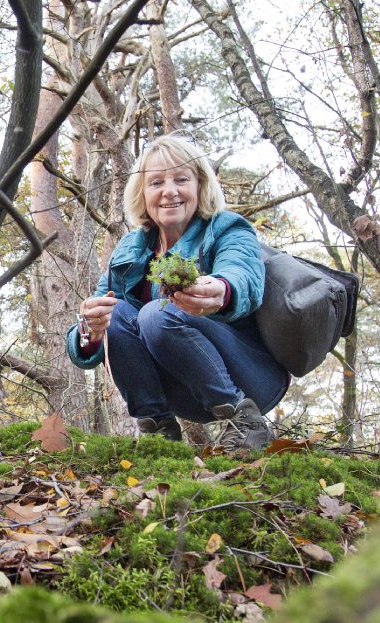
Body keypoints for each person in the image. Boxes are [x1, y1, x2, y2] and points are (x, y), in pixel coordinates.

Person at [66, 134, 288, 453]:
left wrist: (221, 290)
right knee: (117, 312)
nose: (169, 191)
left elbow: (243, 275)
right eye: (156, 182)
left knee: (156, 314)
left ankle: (246, 424)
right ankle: (157, 432)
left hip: (250, 376)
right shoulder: (131, 249)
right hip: (182, 388)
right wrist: (90, 329)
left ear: (199, 186)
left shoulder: (227, 229)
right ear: (143, 194)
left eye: (181, 179)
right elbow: (88, 340)